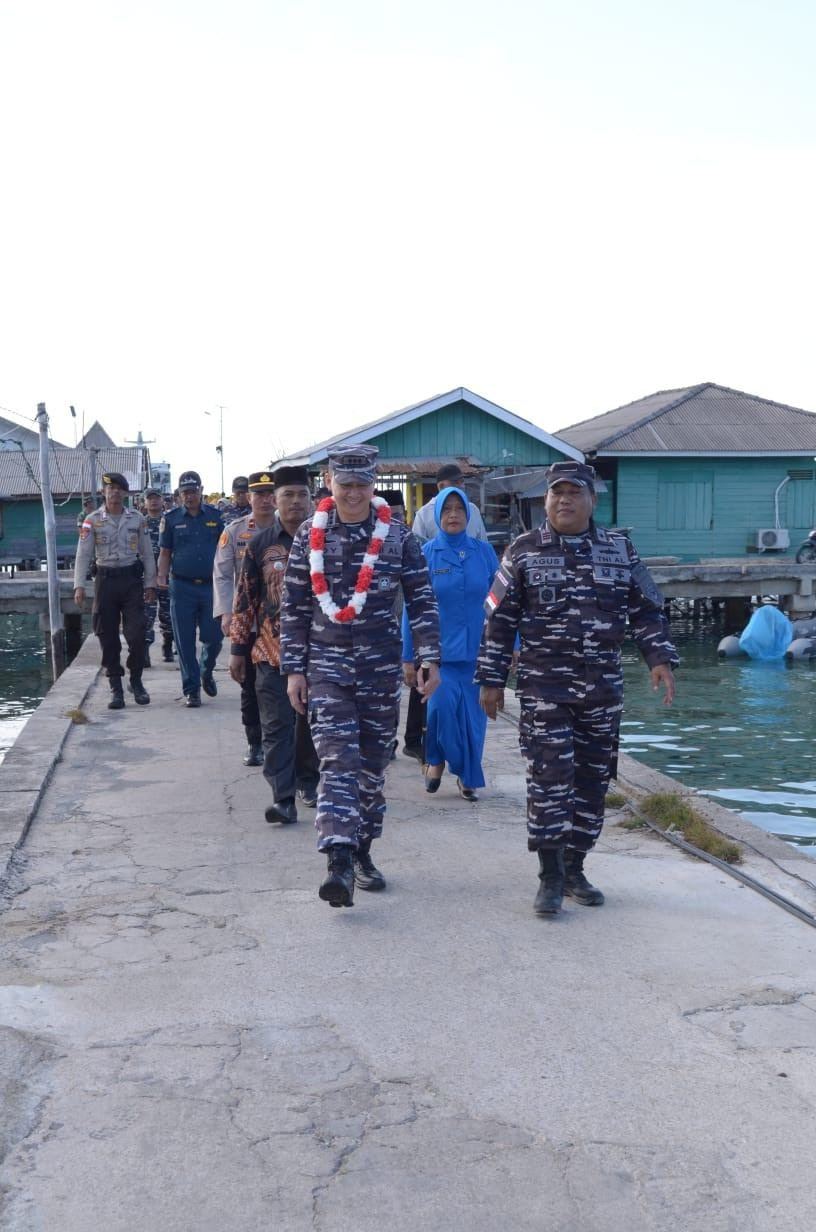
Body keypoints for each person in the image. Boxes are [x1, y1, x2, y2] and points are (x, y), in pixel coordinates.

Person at [476, 460, 678, 917]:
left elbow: (647, 610)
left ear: (592, 499)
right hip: (545, 689)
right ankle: (549, 877)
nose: (563, 500)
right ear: (545, 500)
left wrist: (659, 658)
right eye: (556, 493)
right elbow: (499, 621)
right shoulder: (523, 551)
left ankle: (575, 866)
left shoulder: (619, 551)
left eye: (573, 492)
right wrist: (491, 679)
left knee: (592, 781)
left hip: (602, 691)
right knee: (550, 781)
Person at [281, 444, 441, 908]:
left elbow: (422, 600)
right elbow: (293, 606)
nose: (352, 493)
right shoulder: (308, 536)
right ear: (329, 482)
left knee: (372, 768)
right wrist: (294, 668)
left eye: (361, 484)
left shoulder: (398, 538)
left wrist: (428, 656)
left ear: (374, 485)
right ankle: (338, 860)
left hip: (379, 666)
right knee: (337, 762)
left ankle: (363, 851)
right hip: (326, 665)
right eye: (344, 484)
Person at [229, 468, 320, 823]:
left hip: (318, 653)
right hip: (271, 650)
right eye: (288, 496)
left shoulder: (326, 539)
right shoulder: (261, 544)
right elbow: (244, 599)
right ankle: (283, 797)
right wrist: (238, 649)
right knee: (276, 726)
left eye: (301, 494)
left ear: (311, 498)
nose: (295, 502)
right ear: (275, 501)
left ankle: (308, 780)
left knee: (310, 724)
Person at [403, 486, 499, 801]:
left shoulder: (483, 553)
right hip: (438, 657)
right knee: (441, 714)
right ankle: (438, 759)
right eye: (447, 510)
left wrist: (512, 644)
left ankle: (468, 778)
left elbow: (502, 602)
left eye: (459, 509)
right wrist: (408, 656)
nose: (453, 515)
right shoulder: (427, 553)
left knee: (473, 724)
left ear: (468, 515)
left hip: (479, 656)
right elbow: (411, 608)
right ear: (438, 515)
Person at [73, 472, 156, 709]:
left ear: (126, 493)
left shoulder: (137, 519)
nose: (115, 492)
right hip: (105, 582)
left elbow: (147, 553)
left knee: (138, 633)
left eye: (120, 489)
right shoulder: (91, 520)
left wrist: (150, 584)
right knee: (107, 636)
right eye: (111, 488)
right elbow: (83, 554)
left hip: (131, 580)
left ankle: (136, 681)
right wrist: (79, 585)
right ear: (103, 492)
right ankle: (116, 688)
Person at [213, 471, 277, 765]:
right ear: (248, 498)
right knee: (250, 684)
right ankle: (254, 742)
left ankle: (280, 741)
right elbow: (223, 575)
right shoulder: (235, 531)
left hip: (280, 622)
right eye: (258, 494)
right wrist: (226, 611)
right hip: (248, 621)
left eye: (269, 494)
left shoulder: (291, 529)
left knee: (280, 684)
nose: (264, 499)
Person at [156, 470, 225, 708]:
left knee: (214, 637)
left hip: (210, 587)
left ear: (201, 491)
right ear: (179, 494)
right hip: (181, 586)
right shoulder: (172, 518)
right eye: (185, 492)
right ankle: (192, 689)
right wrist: (161, 576)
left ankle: (207, 669)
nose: (189, 496)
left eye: (193, 491)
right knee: (184, 642)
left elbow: (224, 553)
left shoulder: (216, 518)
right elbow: (165, 552)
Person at [411, 463, 489, 544]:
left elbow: (483, 543)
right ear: (441, 486)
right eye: (455, 483)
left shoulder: (473, 509)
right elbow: (417, 549)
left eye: (462, 482)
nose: (462, 486)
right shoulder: (424, 514)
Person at [142, 487, 175, 666]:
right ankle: (145, 651)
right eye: (150, 499)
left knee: (167, 614)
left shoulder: (170, 521)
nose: (154, 501)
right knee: (146, 615)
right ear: (145, 502)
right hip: (146, 577)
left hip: (167, 575)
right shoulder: (141, 523)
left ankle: (167, 645)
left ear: (162, 501)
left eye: (157, 498)